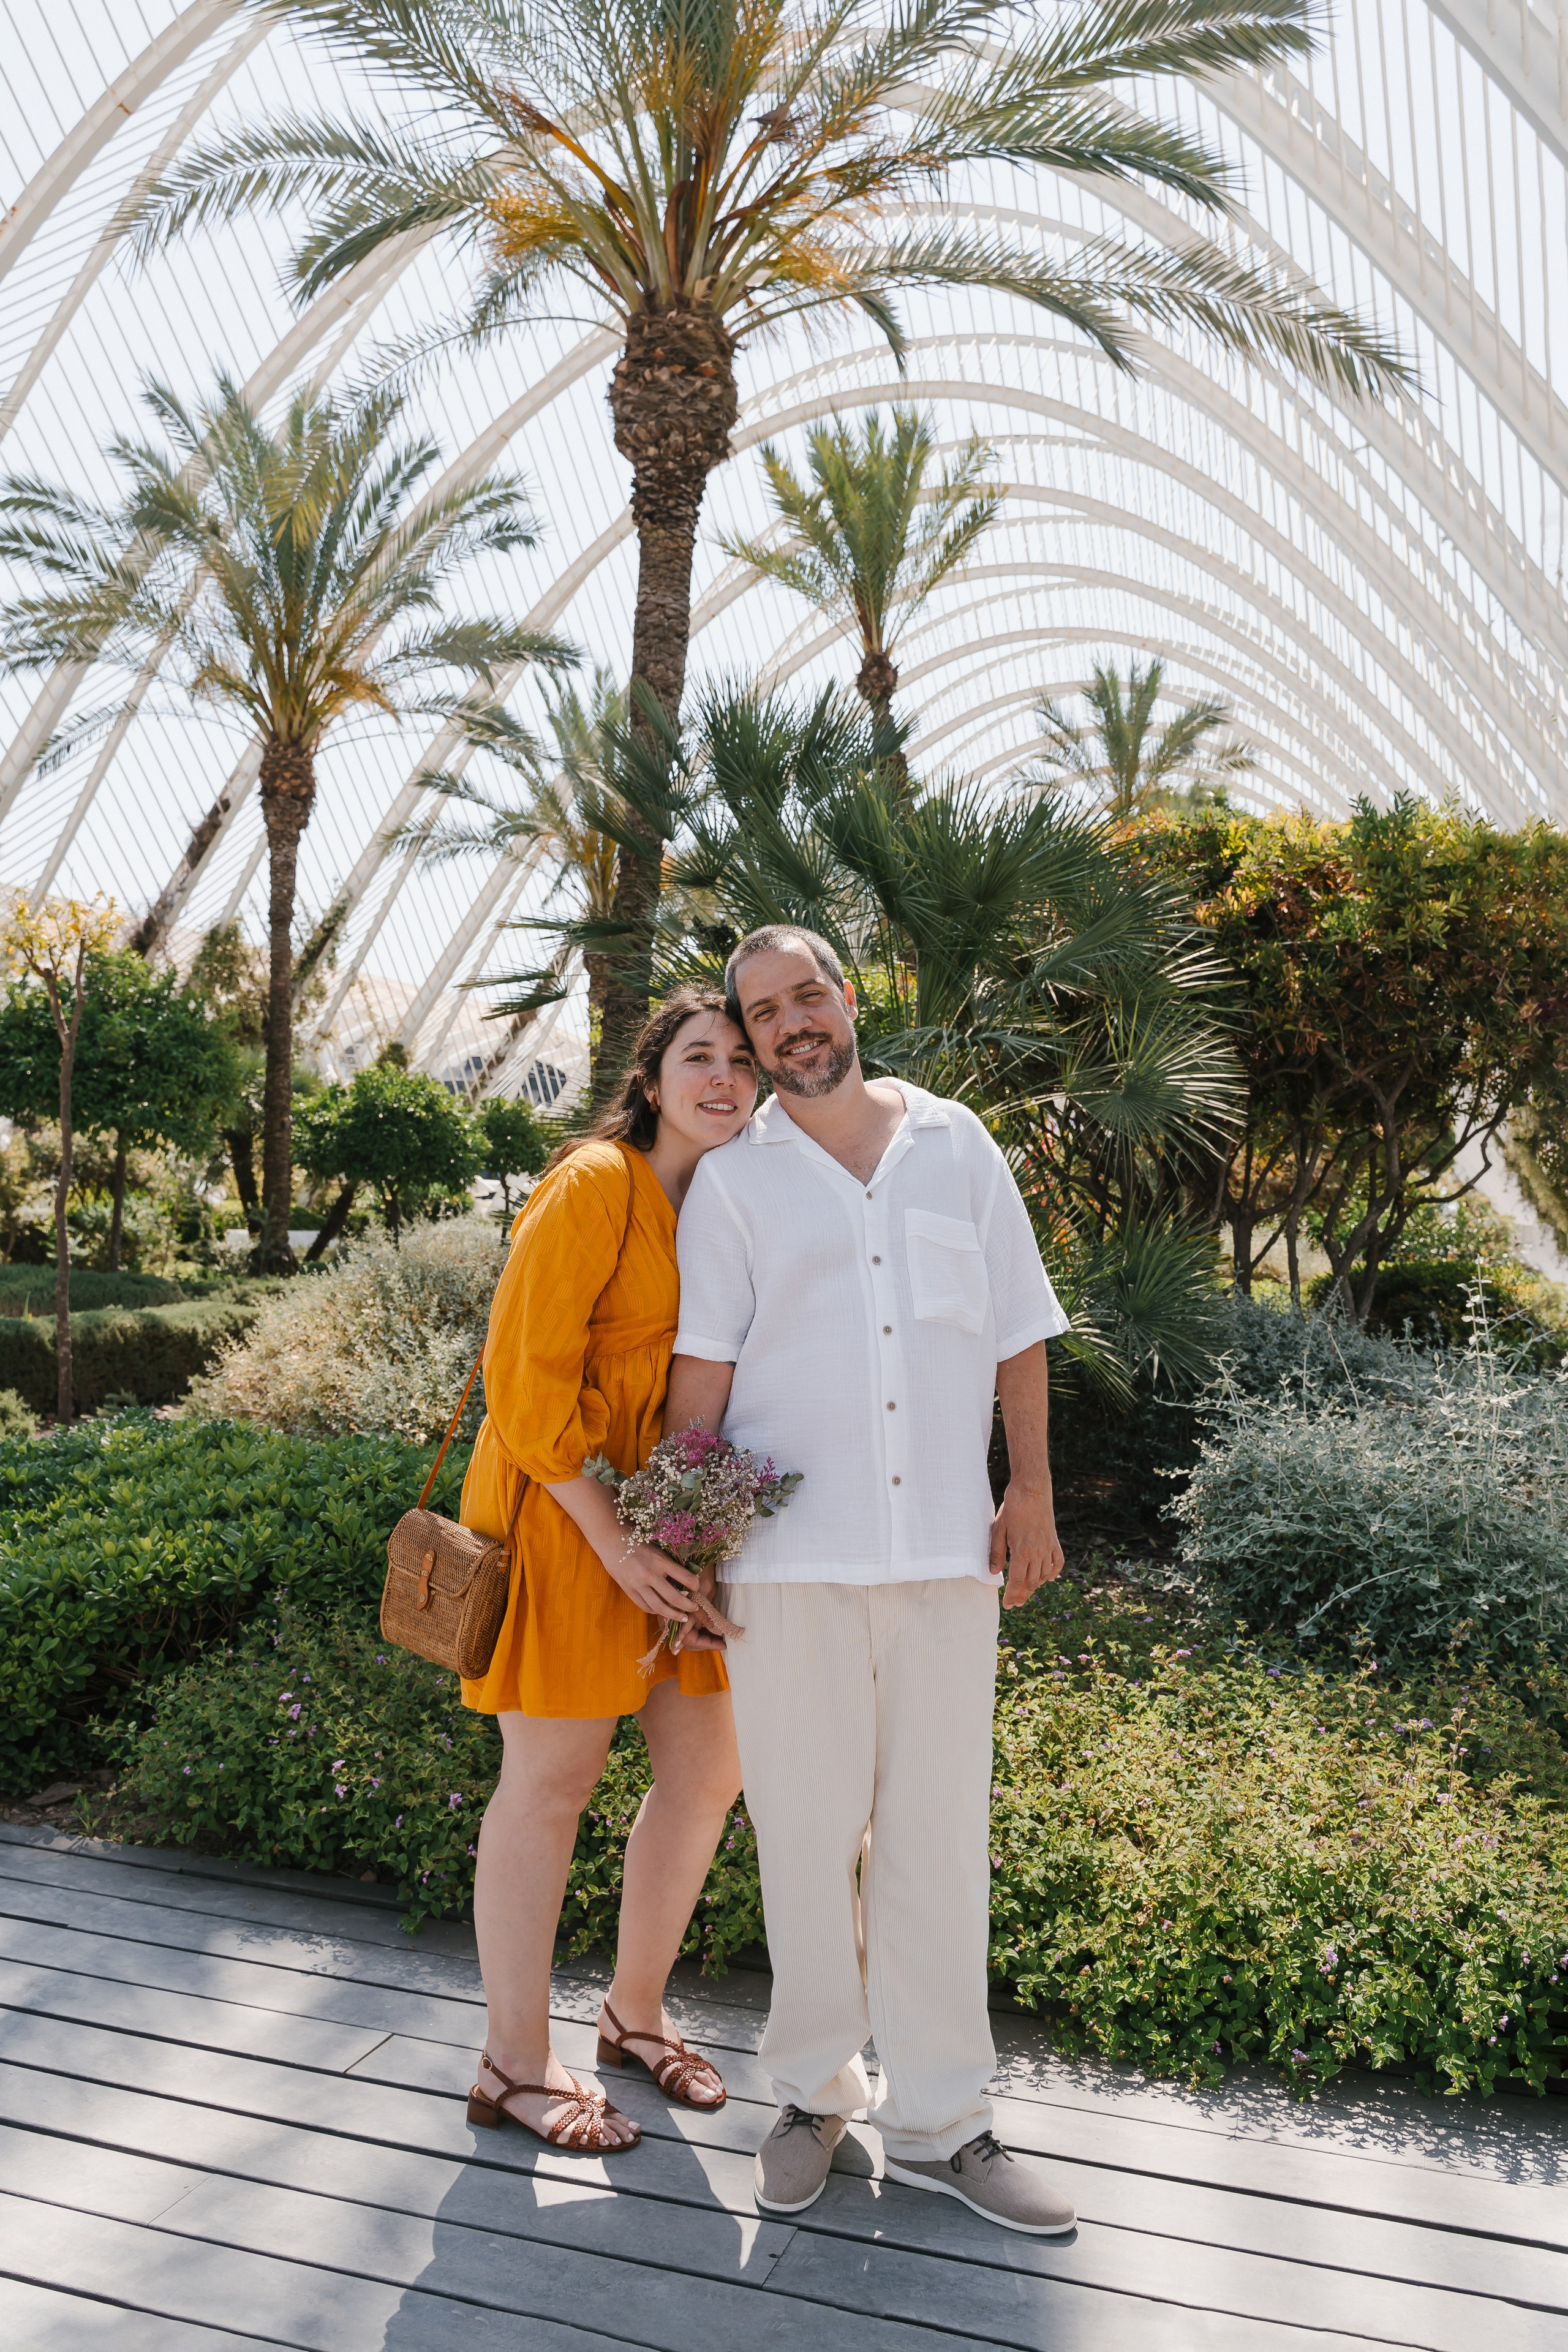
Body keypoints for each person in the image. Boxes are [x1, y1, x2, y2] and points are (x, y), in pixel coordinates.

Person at [665, 925, 1079, 2235]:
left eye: (804, 996)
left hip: (949, 1560)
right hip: (786, 1571)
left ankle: (948, 2120)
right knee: (799, 1836)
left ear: (847, 999)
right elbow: (702, 1378)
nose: (788, 1023)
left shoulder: (958, 1147)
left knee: (938, 1843)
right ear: (749, 1031)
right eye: (760, 1011)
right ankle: (807, 2094)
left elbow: (1017, 1332)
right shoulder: (734, 1184)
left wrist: (1030, 1492)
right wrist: (682, 1543)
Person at [458, 987, 758, 2152]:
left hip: (682, 1524)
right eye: (700, 1054)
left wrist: (693, 1526)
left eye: (742, 1058)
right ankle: (510, 2066)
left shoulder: (734, 1194)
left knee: (704, 1774)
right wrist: (617, 1540)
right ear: (652, 1076)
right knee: (550, 1784)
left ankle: (633, 2017)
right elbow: (522, 1383)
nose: (725, 1075)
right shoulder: (596, 1183)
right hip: (570, 1518)